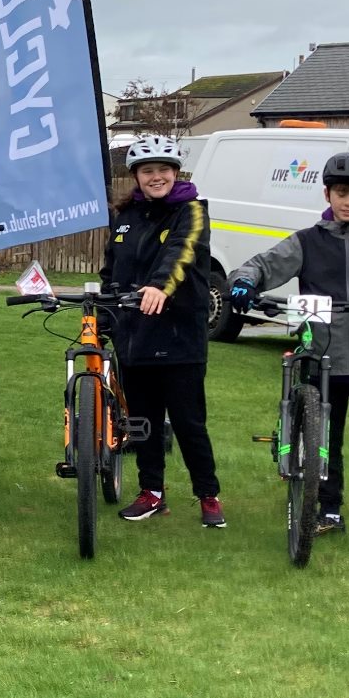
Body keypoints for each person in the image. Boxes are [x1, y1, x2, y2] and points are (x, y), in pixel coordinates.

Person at [229, 151, 349, 551]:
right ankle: (328, 509)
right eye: (342, 192)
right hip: (321, 354)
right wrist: (243, 282)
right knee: (322, 438)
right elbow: (261, 265)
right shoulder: (307, 241)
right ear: (327, 194)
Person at [98, 136, 225, 527]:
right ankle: (152, 492)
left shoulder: (192, 211)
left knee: (189, 422)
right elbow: (112, 272)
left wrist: (159, 286)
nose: (157, 177)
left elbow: (182, 252)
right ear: (136, 176)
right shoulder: (126, 219)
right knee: (143, 422)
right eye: (148, 171)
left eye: (163, 170)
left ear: (176, 172)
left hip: (178, 336)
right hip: (134, 336)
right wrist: (102, 318)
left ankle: (208, 494)